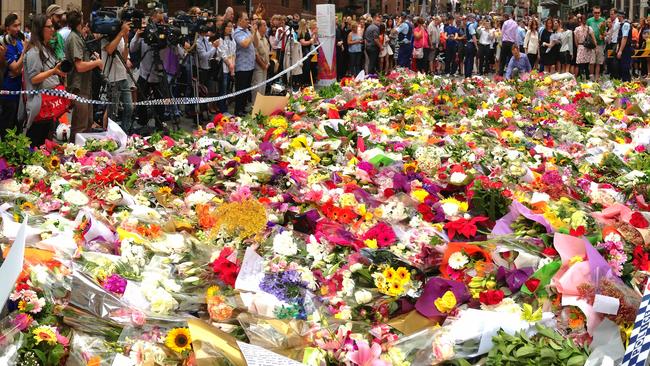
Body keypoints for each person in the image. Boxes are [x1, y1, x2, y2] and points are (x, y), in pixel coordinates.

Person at [22, 14, 67, 146]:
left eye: (52, 26)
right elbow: (34, 79)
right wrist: (53, 71)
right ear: (40, 29)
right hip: (39, 106)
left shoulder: (45, 48)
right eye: (49, 26)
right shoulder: (34, 52)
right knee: (35, 143)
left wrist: (57, 72)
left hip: (48, 105)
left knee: (44, 144)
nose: (52, 29)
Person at [65, 9, 103, 140]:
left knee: (87, 123)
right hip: (79, 86)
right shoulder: (74, 38)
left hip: (85, 85)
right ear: (79, 21)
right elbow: (79, 66)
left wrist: (92, 59)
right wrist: (97, 62)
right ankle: (75, 154)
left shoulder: (78, 36)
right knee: (80, 126)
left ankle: (83, 155)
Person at [102, 19, 134, 131]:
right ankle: (110, 134)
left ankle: (124, 132)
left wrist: (126, 42)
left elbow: (125, 59)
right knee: (113, 112)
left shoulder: (121, 39)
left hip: (123, 77)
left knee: (129, 108)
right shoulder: (105, 38)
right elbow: (110, 50)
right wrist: (121, 33)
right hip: (112, 79)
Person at [0, 13, 26, 136]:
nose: (17, 28)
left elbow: (22, 66)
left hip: (20, 92)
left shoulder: (19, 41)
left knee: (18, 127)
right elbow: (15, 69)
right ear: (7, 28)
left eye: (19, 25)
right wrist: (24, 52)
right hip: (8, 92)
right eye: (14, 26)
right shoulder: (4, 44)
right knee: (7, 128)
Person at [233, 12, 256, 116]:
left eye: (248, 19)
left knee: (246, 89)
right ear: (239, 20)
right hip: (242, 66)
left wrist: (253, 33)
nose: (248, 21)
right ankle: (238, 111)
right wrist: (253, 33)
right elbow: (245, 44)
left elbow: (256, 43)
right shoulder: (237, 32)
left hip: (250, 65)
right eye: (246, 19)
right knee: (241, 90)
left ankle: (242, 108)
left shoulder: (247, 31)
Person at [217, 20, 235, 113]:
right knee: (223, 90)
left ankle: (226, 108)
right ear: (224, 28)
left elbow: (233, 53)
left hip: (231, 67)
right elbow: (223, 54)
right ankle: (222, 110)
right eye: (228, 26)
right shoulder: (221, 40)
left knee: (228, 89)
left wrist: (232, 66)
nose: (230, 28)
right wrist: (230, 64)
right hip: (224, 67)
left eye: (231, 26)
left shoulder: (232, 39)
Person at [252, 19, 271, 103]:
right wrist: (263, 65)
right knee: (257, 88)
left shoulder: (265, 38)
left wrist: (268, 63)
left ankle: (261, 106)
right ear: (259, 27)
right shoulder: (256, 37)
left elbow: (267, 52)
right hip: (258, 67)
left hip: (265, 66)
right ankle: (255, 107)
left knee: (263, 87)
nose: (266, 27)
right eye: (264, 25)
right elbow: (256, 54)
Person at [586, 6, 606, 80]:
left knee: (598, 62)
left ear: (600, 13)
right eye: (595, 12)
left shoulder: (603, 20)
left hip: (600, 44)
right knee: (591, 62)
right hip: (591, 45)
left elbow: (604, 32)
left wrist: (603, 35)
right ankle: (591, 77)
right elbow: (586, 31)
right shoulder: (589, 21)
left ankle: (597, 77)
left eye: (598, 13)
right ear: (593, 13)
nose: (597, 14)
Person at [574, 14, 596, 79]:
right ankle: (587, 79)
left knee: (581, 65)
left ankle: (582, 79)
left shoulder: (577, 29)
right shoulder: (589, 28)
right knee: (586, 65)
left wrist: (579, 47)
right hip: (587, 47)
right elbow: (594, 39)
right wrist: (595, 48)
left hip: (581, 47)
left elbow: (576, 41)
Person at [617, 12, 632, 82]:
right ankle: (625, 83)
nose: (617, 18)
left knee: (625, 67)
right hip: (623, 48)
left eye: (618, 16)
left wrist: (620, 50)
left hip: (626, 48)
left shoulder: (626, 24)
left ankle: (627, 83)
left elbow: (624, 38)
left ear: (621, 16)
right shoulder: (622, 24)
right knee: (622, 67)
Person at [464, 13, 478, 77]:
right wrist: (476, 46)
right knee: (470, 60)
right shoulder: (471, 25)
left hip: (467, 43)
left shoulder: (467, 24)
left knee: (467, 59)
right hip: (471, 44)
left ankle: (466, 74)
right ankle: (468, 75)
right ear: (470, 18)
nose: (474, 19)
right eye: (473, 18)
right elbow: (473, 36)